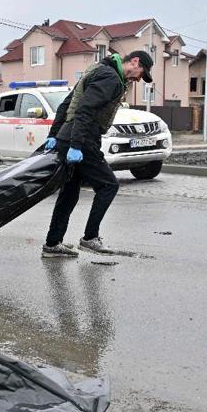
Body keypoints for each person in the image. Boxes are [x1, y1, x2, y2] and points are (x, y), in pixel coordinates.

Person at [41, 50, 153, 258]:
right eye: (141, 73)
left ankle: (52, 244)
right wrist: (76, 144)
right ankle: (90, 238)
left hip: (70, 136)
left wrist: (55, 134)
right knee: (109, 185)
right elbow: (84, 109)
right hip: (82, 138)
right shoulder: (111, 78)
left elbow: (68, 103)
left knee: (69, 193)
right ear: (134, 62)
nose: (139, 78)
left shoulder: (98, 70)